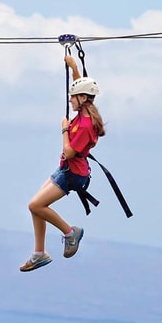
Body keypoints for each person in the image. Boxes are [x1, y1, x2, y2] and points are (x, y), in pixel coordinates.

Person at [20, 55, 105, 272]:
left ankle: (70, 233)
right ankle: (39, 253)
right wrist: (74, 67)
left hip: (73, 174)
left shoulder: (85, 125)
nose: (70, 100)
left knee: (35, 205)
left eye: (73, 98)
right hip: (65, 170)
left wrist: (64, 130)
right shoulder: (84, 111)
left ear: (83, 98)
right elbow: (80, 85)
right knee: (37, 206)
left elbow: (69, 152)